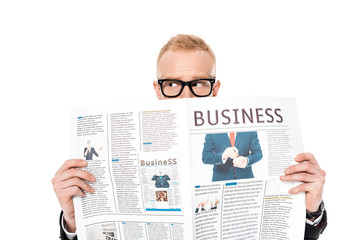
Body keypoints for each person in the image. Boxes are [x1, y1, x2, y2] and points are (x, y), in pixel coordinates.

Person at [52, 34, 327, 240]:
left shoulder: (248, 125)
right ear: (158, 89)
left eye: (197, 84)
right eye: (172, 84)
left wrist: (311, 211)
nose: (185, 96)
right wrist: (74, 221)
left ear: (215, 88)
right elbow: (207, 156)